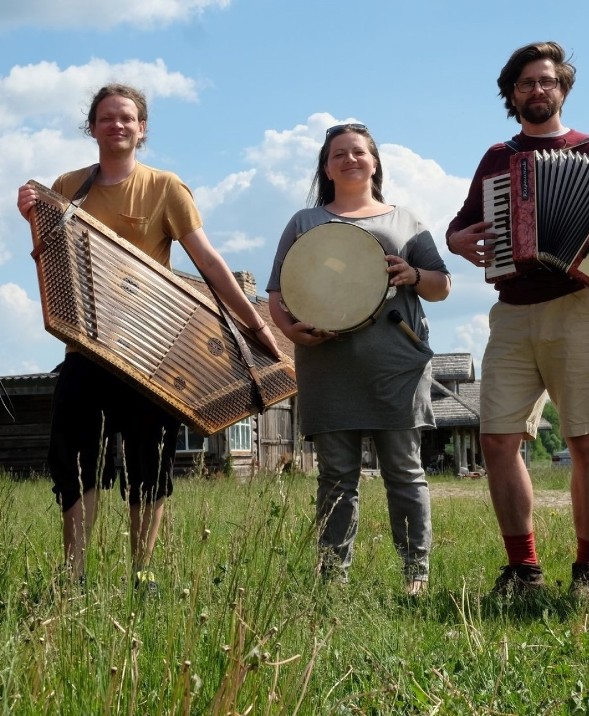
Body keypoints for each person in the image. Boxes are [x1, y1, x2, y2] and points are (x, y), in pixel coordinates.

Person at [16, 84, 282, 590]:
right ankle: (74, 575)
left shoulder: (166, 188)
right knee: (73, 457)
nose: (117, 125)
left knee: (149, 459)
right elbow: (52, 258)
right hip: (85, 349)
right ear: (91, 127)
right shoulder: (68, 186)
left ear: (142, 129)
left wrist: (255, 322)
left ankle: (143, 572)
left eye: (128, 118)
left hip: (150, 353)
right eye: (107, 117)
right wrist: (33, 213)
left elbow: (207, 261)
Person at [446, 41, 589, 600]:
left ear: (563, 89)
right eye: (527, 82)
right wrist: (459, 240)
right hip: (511, 312)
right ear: (512, 94)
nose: (538, 90)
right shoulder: (497, 158)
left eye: (547, 81)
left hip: (578, 307)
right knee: (496, 441)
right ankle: (525, 570)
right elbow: (460, 228)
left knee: (586, 442)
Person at [266, 123, 451, 596]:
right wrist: (292, 333)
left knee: (404, 472)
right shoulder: (303, 222)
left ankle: (416, 576)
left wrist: (413, 274)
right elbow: (276, 294)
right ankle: (333, 579)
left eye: (359, 152)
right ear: (326, 167)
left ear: (374, 162)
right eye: (339, 154)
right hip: (328, 365)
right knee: (335, 477)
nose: (350, 159)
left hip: (396, 365)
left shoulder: (404, 220)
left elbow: (442, 286)